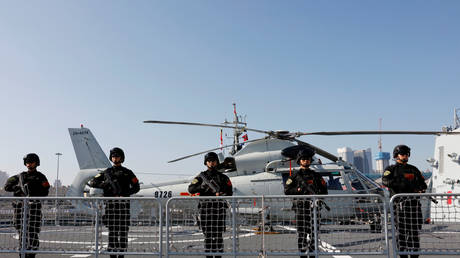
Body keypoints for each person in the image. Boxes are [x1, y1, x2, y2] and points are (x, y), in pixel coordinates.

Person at [88, 147, 140, 258]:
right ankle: (112, 254)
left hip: (124, 206)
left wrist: (125, 194)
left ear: (121, 158)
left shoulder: (128, 173)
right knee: (112, 232)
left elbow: (136, 187)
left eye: (117, 156)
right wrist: (104, 184)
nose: (115, 158)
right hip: (111, 206)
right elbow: (92, 182)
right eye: (113, 156)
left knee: (123, 232)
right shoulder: (107, 172)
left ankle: (121, 255)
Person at [382, 145, 427, 258]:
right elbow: (385, 181)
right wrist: (404, 184)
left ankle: (415, 255)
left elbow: (423, 184)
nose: (406, 156)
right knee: (401, 233)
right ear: (396, 155)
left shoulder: (414, 169)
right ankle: (402, 255)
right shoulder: (390, 169)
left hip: (414, 205)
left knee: (414, 233)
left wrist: (420, 189)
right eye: (403, 154)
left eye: (407, 154)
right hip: (399, 206)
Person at [4, 153, 50, 258]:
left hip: (34, 208)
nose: (29, 164)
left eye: (31, 162)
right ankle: (22, 254)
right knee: (21, 233)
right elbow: (7, 186)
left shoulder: (41, 177)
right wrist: (17, 189)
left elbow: (45, 191)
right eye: (27, 162)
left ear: (36, 163)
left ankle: (31, 254)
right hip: (20, 209)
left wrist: (33, 192)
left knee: (33, 233)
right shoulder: (19, 177)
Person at [284, 148, 328, 258]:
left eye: (308, 159)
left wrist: (318, 195)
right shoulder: (294, 176)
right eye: (303, 159)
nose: (306, 161)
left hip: (314, 209)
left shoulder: (316, 176)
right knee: (302, 235)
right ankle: (302, 255)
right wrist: (298, 191)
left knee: (314, 234)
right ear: (299, 160)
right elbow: (287, 191)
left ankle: (313, 255)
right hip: (301, 209)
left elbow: (324, 191)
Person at [188, 152, 233, 258]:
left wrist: (221, 194)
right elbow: (190, 189)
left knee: (218, 236)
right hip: (205, 209)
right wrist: (201, 187)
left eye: (213, 161)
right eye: (209, 161)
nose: (211, 163)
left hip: (218, 209)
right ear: (206, 163)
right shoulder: (201, 177)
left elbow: (230, 192)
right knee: (208, 236)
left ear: (216, 162)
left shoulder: (223, 177)